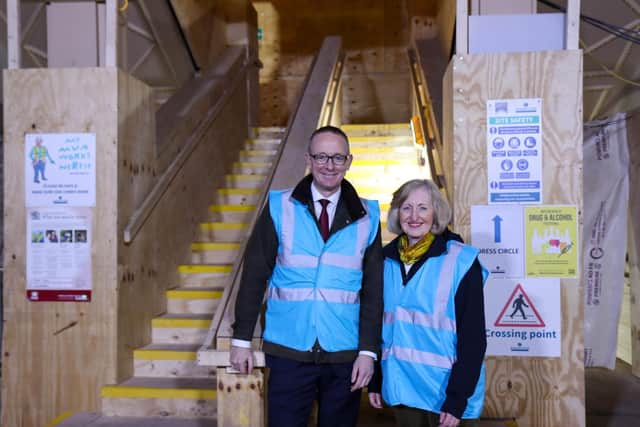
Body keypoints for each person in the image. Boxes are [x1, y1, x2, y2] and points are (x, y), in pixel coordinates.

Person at [230, 125, 384, 427]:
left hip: (344, 352)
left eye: (338, 158)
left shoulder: (369, 215)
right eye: (322, 157)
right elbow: (254, 275)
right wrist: (241, 339)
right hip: (289, 348)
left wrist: (368, 351)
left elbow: (374, 291)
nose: (329, 166)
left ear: (349, 162)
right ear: (308, 159)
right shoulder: (279, 206)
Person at [367, 179, 487, 427]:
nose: (414, 216)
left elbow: (473, 339)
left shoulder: (461, 261)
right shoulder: (383, 261)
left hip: (446, 399)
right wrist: (376, 380)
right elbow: (378, 327)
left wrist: (456, 400)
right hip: (404, 391)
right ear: (397, 213)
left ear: (436, 214)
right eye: (406, 207)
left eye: (423, 207)